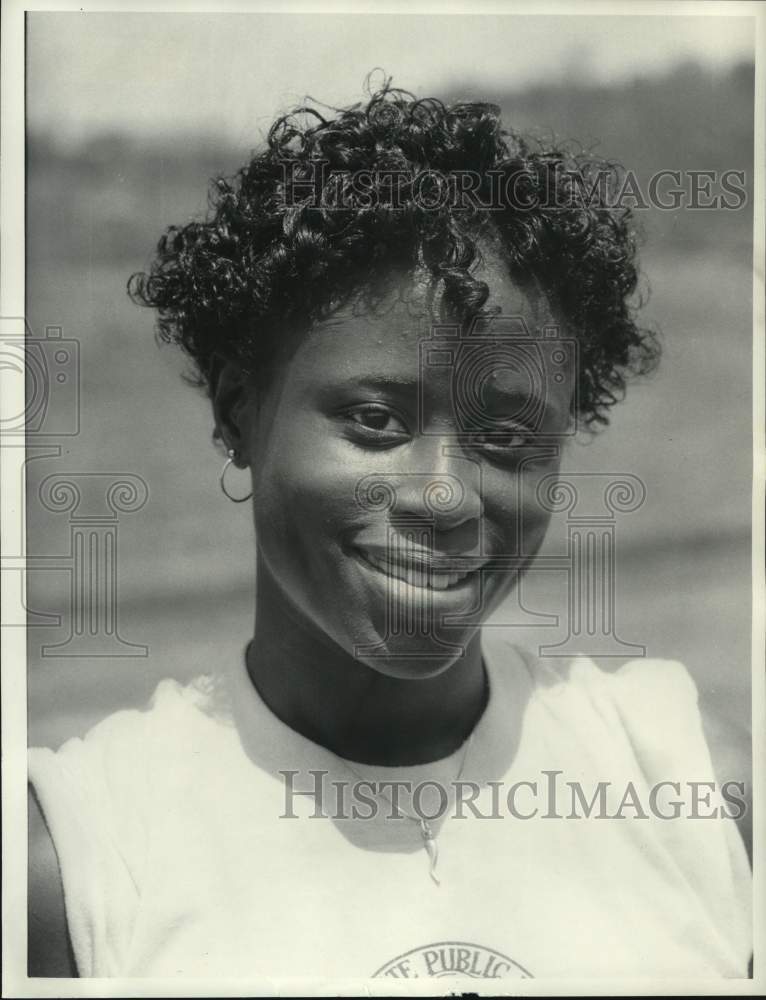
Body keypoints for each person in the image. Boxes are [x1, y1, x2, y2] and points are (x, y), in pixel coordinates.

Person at [28, 80, 751, 981]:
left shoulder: (689, 783)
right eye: (375, 422)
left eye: (505, 439)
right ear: (238, 408)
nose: (444, 498)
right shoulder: (79, 859)